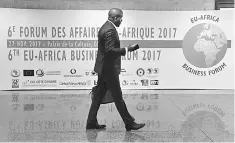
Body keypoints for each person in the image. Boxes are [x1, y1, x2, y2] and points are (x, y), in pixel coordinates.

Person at [86, 8, 145, 131]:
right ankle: (129, 123)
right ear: (114, 18)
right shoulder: (110, 30)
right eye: (120, 18)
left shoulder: (106, 26)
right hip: (108, 69)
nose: (121, 21)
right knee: (118, 97)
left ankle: (91, 122)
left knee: (97, 97)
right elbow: (110, 51)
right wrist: (127, 49)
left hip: (103, 67)